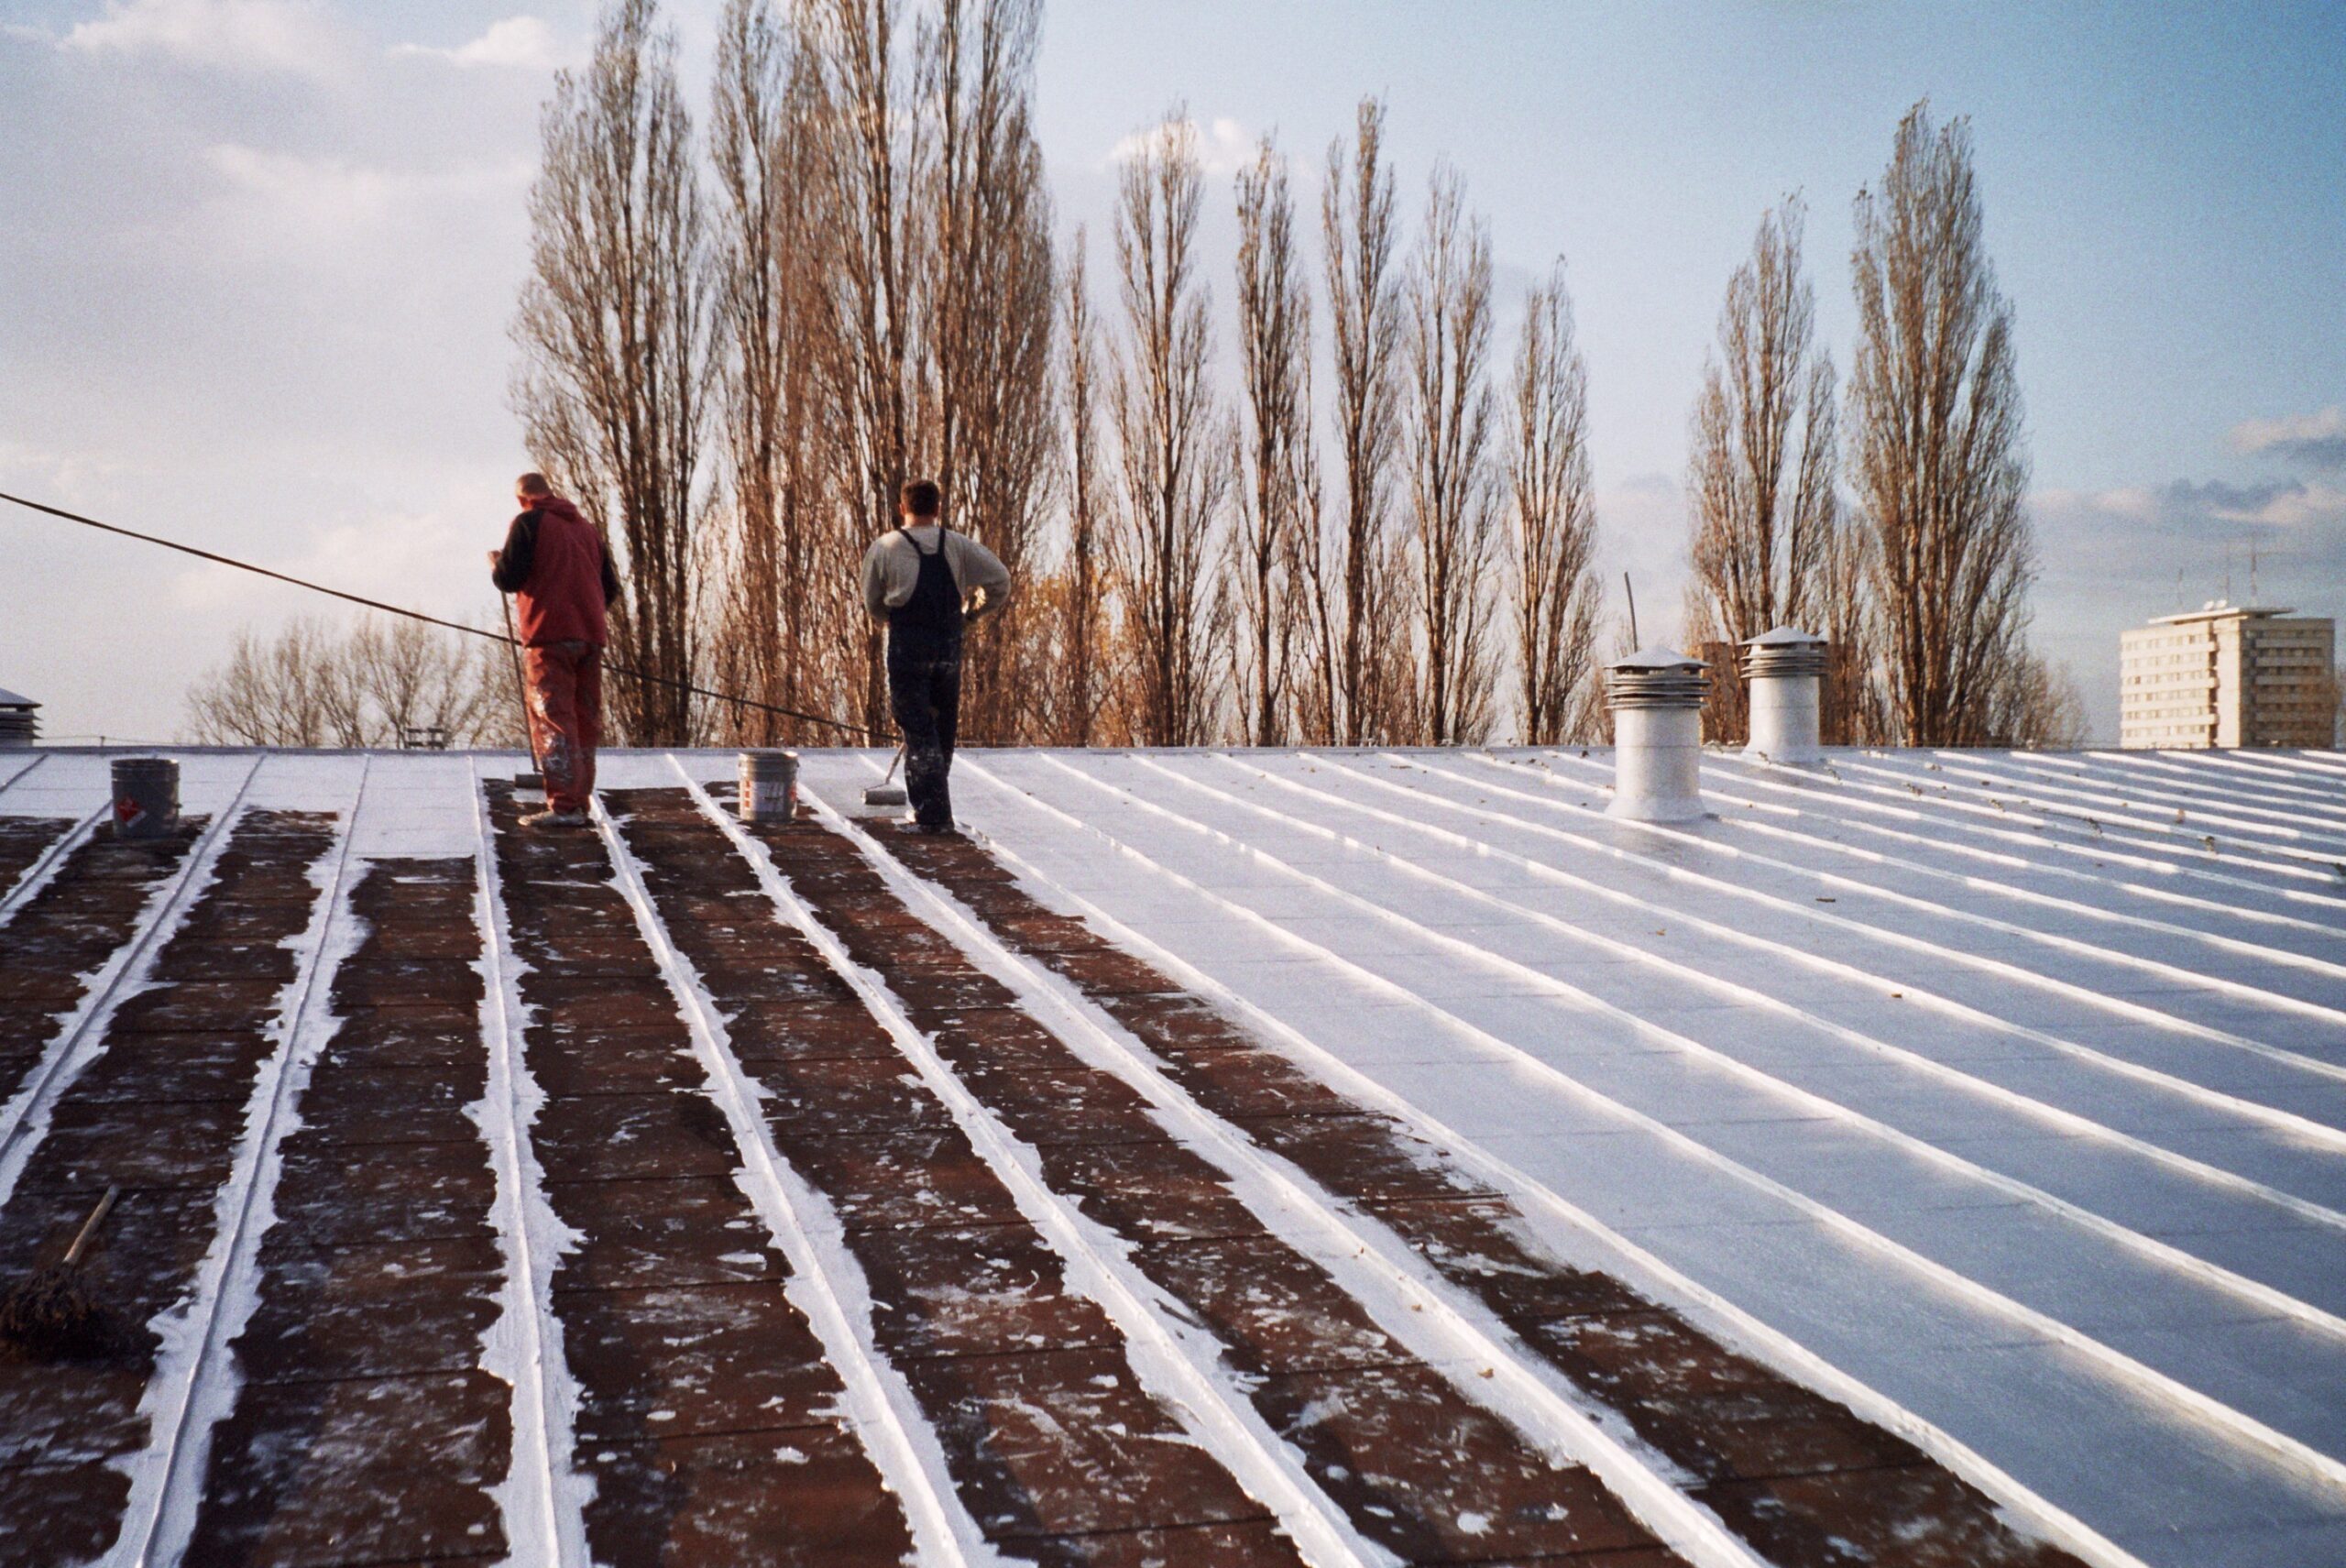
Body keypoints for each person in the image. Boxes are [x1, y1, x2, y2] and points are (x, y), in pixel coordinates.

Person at [860, 478, 1011, 833]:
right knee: (942, 727)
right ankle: (934, 806)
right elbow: (1000, 580)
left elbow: (871, 601)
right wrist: (970, 615)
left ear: (902, 509)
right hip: (947, 645)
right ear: (938, 509)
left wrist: (891, 619)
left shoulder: (885, 546)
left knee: (917, 727)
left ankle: (932, 816)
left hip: (908, 645)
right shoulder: (956, 545)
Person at [488, 472, 620, 828]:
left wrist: (497, 563)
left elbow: (508, 578)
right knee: (584, 717)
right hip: (590, 636)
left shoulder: (528, 522)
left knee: (552, 716)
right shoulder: (587, 530)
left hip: (548, 635)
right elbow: (610, 588)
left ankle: (564, 806)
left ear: (522, 499)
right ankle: (579, 800)